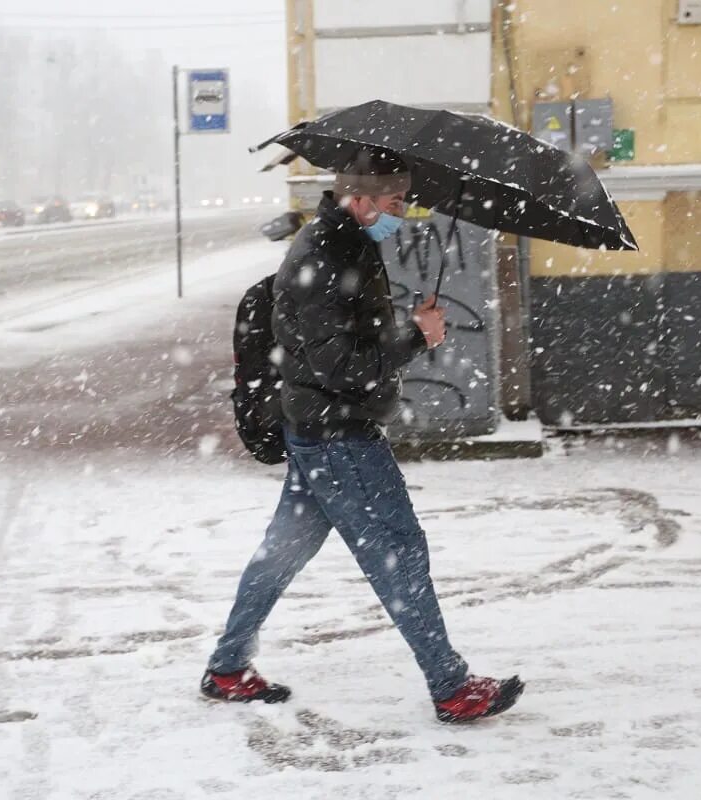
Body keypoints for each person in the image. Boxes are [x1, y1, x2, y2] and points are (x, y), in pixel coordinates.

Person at [201, 149, 524, 723]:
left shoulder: (342, 244)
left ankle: (228, 667)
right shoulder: (326, 253)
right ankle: (451, 687)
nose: (403, 212)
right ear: (362, 197)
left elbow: (343, 342)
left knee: (283, 552)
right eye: (396, 202)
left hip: (316, 426)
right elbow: (337, 365)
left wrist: (407, 326)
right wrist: (416, 339)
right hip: (336, 432)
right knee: (398, 552)